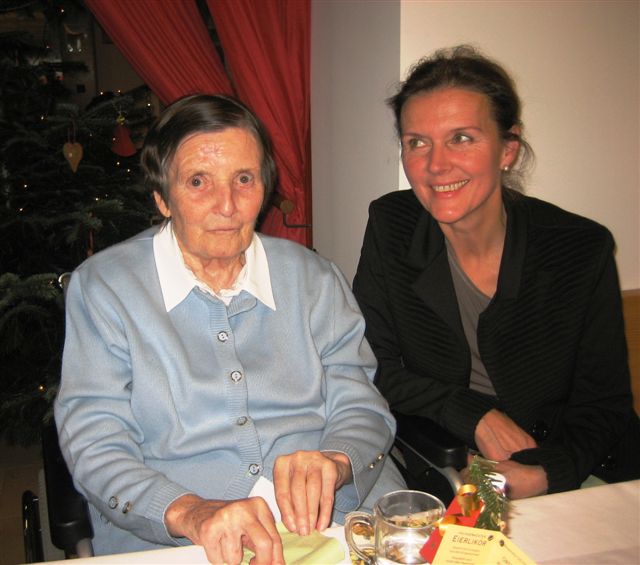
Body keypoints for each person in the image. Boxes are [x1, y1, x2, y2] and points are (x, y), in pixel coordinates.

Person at [55, 94, 405, 563]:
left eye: (244, 179)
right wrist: (190, 511)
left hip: (341, 520)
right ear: (161, 197)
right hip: (185, 535)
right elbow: (95, 440)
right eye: (198, 181)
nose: (227, 206)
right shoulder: (105, 288)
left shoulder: (315, 278)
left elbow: (360, 402)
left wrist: (338, 460)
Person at [353, 45, 640, 500]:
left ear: (508, 148)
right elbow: (371, 365)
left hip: (576, 469)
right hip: (452, 464)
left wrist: (546, 472)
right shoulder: (393, 225)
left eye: (462, 138)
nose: (436, 165)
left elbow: (604, 404)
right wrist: (472, 415)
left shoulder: (580, 248)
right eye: (417, 142)